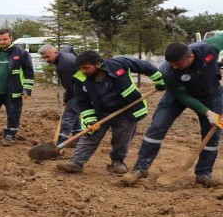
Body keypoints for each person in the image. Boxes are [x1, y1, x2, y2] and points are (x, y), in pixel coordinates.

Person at [122, 36, 223, 187]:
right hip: (177, 96)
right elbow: (182, 96)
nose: (174, 67)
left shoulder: (208, 47)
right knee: (157, 127)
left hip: (211, 94)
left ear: (191, 56)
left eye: (178, 64)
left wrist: (212, 111)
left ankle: (204, 173)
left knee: (212, 135)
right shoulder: (167, 71)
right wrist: (208, 113)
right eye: (172, 64)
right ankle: (140, 168)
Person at [56, 51, 165, 174]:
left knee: (122, 138)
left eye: (86, 68)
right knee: (90, 136)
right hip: (100, 112)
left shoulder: (119, 64)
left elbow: (146, 66)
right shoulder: (79, 78)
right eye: (80, 68)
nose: (83, 71)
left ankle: (117, 162)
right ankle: (76, 162)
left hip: (126, 110)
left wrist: (160, 81)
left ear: (98, 64)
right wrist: (90, 120)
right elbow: (83, 102)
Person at [38, 44, 81, 145]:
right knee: (74, 113)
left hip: (79, 90)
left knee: (68, 116)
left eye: (47, 56)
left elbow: (70, 88)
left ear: (56, 52)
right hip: (77, 87)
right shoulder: (65, 51)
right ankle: (78, 139)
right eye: (43, 57)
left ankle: (60, 144)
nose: (45, 60)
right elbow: (70, 47)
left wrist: (66, 100)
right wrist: (78, 61)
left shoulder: (64, 66)